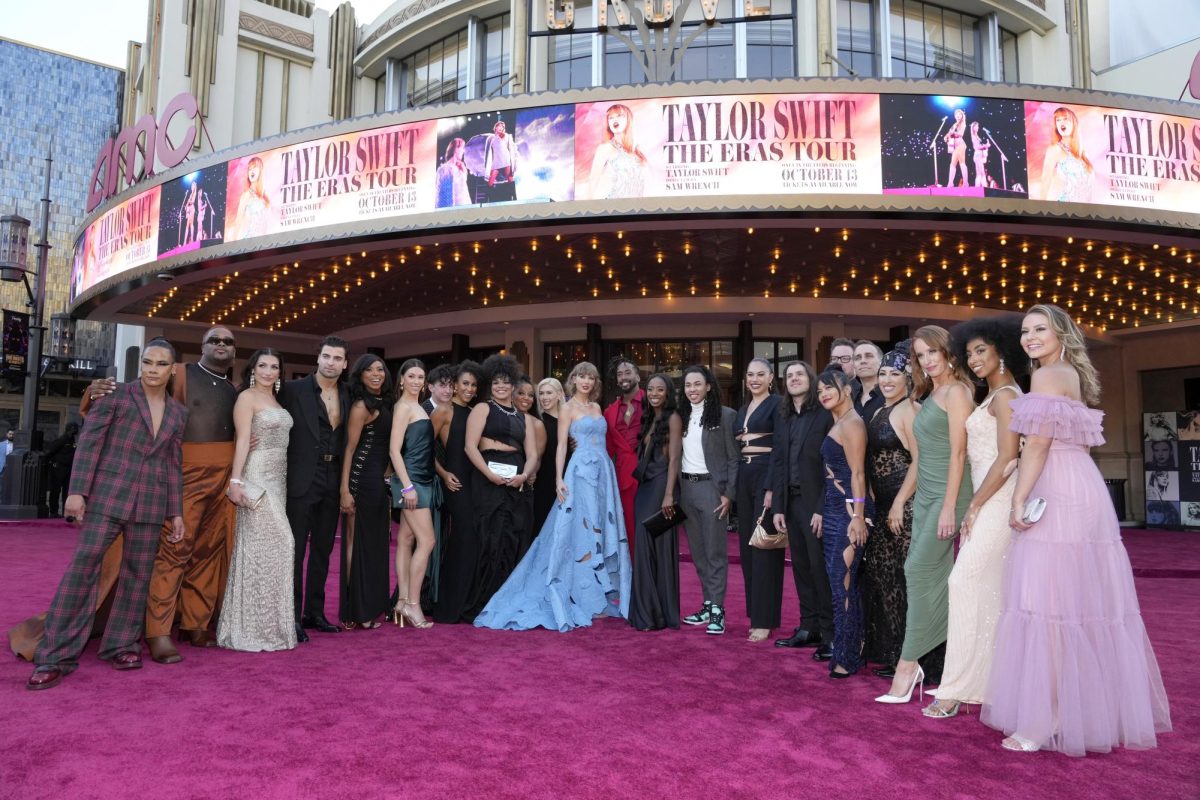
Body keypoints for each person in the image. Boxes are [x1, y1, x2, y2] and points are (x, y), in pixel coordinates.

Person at [983, 303, 1171, 755]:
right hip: (1081, 488)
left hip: (1057, 490)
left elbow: (1039, 445)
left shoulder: (1048, 376)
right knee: (1077, 603)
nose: (1029, 337)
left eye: (1039, 329)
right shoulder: (1070, 374)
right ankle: (1071, 711)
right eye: (1025, 330)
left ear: (1061, 333)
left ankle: (1045, 719)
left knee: (1048, 603)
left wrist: (1018, 499)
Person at [26, 339, 186, 690]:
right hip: (107, 499)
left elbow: (174, 466)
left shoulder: (177, 413)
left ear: (172, 369)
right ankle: (54, 655)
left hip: (151, 503)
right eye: (147, 362)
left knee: (136, 577)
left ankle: (122, 645)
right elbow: (89, 443)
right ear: (140, 364)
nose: (152, 369)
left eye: (161, 364)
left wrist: (176, 511)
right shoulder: (115, 395)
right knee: (82, 572)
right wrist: (77, 492)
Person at [475, 362, 631, 631]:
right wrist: (559, 478)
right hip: (579, 473)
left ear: (595, 382)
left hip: (602, 472)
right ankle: (577, 591)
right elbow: (561, 446)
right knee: (576, 532)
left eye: (590, 378)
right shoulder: (568, 409)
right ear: (573, 380)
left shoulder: (597, 408)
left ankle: (596, 593)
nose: (586, 381)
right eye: (581, 376)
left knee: (597, 529)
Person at [925, 317, 1024, 717]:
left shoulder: (1007, 396)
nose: (974, 358)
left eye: (981, 350)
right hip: (988, 500)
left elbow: (1009, 458)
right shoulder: (992, 395)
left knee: (962, 581)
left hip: (997, 501)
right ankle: (983, 685)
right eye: (969, 353)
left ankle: (956, 687)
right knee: (987, 591)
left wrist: (974, 504)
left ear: (1003, 349)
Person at [877, 325, 973, 704]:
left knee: (916, 571)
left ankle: (908, 664)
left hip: (949, 495)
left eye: (933, 352)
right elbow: (924, 455)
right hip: (928, 492)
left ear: (948, 351)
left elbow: (959, 454)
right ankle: (956, 662)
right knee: (932, 578)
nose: (928, 360)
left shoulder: (958, 392)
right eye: (920, 355)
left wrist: (950, 505)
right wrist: (907, 499)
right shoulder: (931, 391)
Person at [218, 349, 296, 652]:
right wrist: (235, 481)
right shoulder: (246, 398)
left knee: (269, 552)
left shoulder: (277, 401)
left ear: (280, 372)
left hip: (280, 480)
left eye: (274, 366)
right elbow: (242, 441)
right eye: (262, 365)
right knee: (283, 544)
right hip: (256, 476)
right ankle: (249, 629)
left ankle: (270, 629)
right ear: (252, 369)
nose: (268, 371)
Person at [280, 335, 350, 641]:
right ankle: (291, 617)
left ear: (345, 364)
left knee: (323, 548)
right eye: (326, 357)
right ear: (317, 359)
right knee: (294, 549)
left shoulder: (349, 394)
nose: (331, 362)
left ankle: (314, 612)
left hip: (333, 477)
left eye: (337, 358)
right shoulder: (293, 390)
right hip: (302, 477)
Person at [464, 354, 538, 615]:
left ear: (513, 385)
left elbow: (533, 456)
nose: (501, 387)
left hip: (515, 482)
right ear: (490, 384)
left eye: (506, 382)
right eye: (496, 382)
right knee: (489, 536)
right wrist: (489, 475)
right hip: (488, 480)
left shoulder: (523, 417)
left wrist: (524, 476)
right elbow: (470, 447)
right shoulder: (483, 408)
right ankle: (484, 600)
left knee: (512, 538)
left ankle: (507, 599)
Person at [861, 345, 918, 678]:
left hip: (904, 506)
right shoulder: (877, 411)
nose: (886, 379)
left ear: (908, 377)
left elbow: (920, 461)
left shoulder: (910, 409)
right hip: (881, 506)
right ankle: (895, 650)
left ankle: (911, 657)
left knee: (904, 579)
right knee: (885, 578)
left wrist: (898, 504)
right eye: (883, 373)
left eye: (894, 373)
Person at [771, 361, 835, 656]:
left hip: (817, 503)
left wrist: (822, 507)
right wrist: (778, 507)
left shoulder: (824, 414)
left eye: (799, 374)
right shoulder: (783, 417)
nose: (794, 378)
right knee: (800, 568)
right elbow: (779, 462)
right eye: (789, 375)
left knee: (819, 568)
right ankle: (808, 626)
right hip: (791, 503)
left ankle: (830, 633)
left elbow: (832, 464)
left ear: (810, 379)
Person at [815, 369, 872, 678]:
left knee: (842, 583)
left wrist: (859, 517)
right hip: (837, 509)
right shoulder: (839, 421)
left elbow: (858, 473)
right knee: (842, 584)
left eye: (830, 387)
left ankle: (847, 656)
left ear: (847, 389)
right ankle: (849, 648)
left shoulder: (852, 424)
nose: (823, 393)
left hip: (851, 512)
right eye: (820, 389)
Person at [677, 365, 739, 636]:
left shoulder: (726, 416)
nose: (692, 389)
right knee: (699, 554)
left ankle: (718, 610)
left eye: (697, 384)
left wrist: (729, 494)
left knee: (715, 553)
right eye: (688, 385)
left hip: (712, 490)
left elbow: (734, 458)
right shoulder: (679, 416)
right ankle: (707, 604)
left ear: (709, 386)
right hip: (686, 490)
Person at [338, 354, 394, 629]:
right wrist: (344, 490)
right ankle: (352, 611)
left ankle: (370, 607)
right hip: (359, 482)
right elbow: (349, 449)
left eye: (380, 369)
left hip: (378, 484)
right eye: (370, 370)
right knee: (353, 542)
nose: (376, 374)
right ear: (359, 375)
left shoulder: (387, 403)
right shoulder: (361, 405)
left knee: (374, 546)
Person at [733, 357, 783, 643]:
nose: (754, 379)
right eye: (750, 374)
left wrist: (771, 488)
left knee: (764, 548)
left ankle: (765, 620)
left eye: (760, 374)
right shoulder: (742, 409)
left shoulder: (777, 404)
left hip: (766, 475)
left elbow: (779, 449)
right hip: (744, 477)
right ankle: (756, 615)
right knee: (747, 549)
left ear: (770, 377)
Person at [628, 373, 682, 631]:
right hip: (646, 488)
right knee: (646, 548)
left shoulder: (673, 418)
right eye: (650, 389)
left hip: (662, 487)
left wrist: (669, 494)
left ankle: (653, 615)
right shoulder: (650, 418)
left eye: (660, 390)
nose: (654, 393)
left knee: (652, 545)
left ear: (668, 393)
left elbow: (674, 460)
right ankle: (650, 613)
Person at [431, 360, 482, 624]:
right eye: (465, 383)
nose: (470, 389)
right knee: (463, 538)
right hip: (455, 484)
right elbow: (421, 448)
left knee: (470, 541)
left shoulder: (475, 412)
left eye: (474, 385)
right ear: (454, 385)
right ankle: (449, 607)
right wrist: (443, 474)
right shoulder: (444, 411)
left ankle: (466, 603)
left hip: (475, 484)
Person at [388, 360, 438, 629]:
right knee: (427, 541)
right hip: (411, 481)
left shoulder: (419, 406)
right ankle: (413, 605)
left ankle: (402, 601)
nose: (417, 381)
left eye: (421, 376)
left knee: (406, 539)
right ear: (401, 380)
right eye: (412, 376)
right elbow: (395, 450)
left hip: (420, 481)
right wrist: (407, 486)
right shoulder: (403, 407)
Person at [604, 357, 643, 555]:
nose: (624, 377)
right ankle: (633, 574)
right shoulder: (609, 411)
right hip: (623, 476)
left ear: (637, 376)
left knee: (647, 525)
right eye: (620, 374)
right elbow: (607, 448)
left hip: (648, 473)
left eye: (628, 372)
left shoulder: (651, 400)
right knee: (628, 525)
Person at [589, 104, 647, 199]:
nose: (615, 120)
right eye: (611, 118)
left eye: (620, 116)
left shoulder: (637, 152)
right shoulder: (605, 148)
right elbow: (592, 181)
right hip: (614, 208)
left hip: (638, 208)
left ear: (629, 120)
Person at [1040, 106, 1094, 203]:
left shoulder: (1083, 154)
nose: (1061, 122)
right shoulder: (1055, 149)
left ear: (1074, 123)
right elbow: (1045, 180)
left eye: (1065, 119)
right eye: (1058, 120)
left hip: (1085, 212)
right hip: (1064, 210)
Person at [514, 375, 543, 550]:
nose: (526, 398)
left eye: (531, 395)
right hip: (497, 483)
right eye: (521, 393)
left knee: (520, 533)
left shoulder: (537, 424)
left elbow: (537, 457)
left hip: (523, 486)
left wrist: (531, 473)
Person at [533, 377, 565, 531]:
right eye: (541, 393)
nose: (544, 397)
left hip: (567, 479)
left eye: (549, 393)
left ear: (559, 395)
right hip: (543, 480)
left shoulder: (569, 421)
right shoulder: (538, 422)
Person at [44, 423, 80, 516]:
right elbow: (50, 451)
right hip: (58, 468)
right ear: (69, 429)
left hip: (69, 468)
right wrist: (51, 463)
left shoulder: (73, 441)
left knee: (67, 491)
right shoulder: (62, 439)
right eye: (74, 429)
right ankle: (54, 512)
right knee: (55, 490)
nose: (76, 431)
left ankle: (66, 512)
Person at [231, 155, 270, 240]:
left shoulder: (265, 197)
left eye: (254, 168)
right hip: (250, 243)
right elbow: (238, 222)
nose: (251, 171)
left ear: (260, 171)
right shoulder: (246, 195)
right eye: (250, 169)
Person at [851, 340, 884, 421]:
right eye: (858, 358)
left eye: (869, 356)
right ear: (854, 365)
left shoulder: (891, 396)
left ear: (881, 362)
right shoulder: (850, 398)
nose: (863, 361)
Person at [436, 138, 470, 207]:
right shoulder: (443, 169)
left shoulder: (461, 169)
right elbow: (440, 194)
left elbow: (465, 193)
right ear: (456, 149)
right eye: (462, 148)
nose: (463, 151)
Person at [486, 120, 517, 187]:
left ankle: (511, 195)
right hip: (496, 160)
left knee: (509, 177)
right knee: (491, 180)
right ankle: (490, 195)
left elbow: (511, 147)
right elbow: (488, 150)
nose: (501, 127)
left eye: (502, 127)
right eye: (499, 126)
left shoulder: (505, 135)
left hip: (505, 159)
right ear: (496, 127)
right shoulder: (491, 138)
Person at [943, 108, 968, 188]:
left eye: (959, 114)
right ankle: (950, 183)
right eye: (956, 114)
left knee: (962, 163)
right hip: (954, 146)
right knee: (952, 164)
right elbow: (949, 132)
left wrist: (953, 133)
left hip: (960, 144)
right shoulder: (954, 125)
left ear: (962, 116)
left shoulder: (963, 124)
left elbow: (960, 134)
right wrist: (946, 136)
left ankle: (965, 183)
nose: (958, 116)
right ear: (954, 116)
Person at [970, 121, 991, 188]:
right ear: (973, 128)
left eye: (978, 126)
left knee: (979, 173)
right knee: (981, 172)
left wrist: (985, 145)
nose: (978, 127)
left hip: (979, 155)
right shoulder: (973, 136)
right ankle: (984, 187)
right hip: (977, 155)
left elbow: (979, 145)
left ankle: (978, 187)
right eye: (976, 126)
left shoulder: (976, 136)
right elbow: (977, 147)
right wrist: (986, 146)